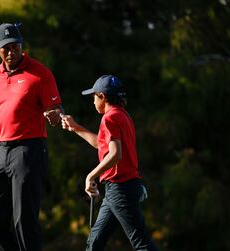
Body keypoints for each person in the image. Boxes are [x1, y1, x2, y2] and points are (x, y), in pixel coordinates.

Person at [0, 22, 63, 251]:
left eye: (15, 46)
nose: (11, 52)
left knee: (24, 221)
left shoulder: (40, 74)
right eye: (6, 48)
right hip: (2, 151)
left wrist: (55, 116)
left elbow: (57, 110)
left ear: (21, 45)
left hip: (29, 150)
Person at [61, 75, 159, 251]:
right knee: (95, 242)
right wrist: (75, 128)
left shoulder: (109, 118)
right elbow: (102, 145)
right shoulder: (122, 115)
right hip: (119, 188)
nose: (92, 101)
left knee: (141, 244)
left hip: (120, 188)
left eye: (94, 97)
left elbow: (115, 155)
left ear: (102, 97)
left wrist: (91, 175)